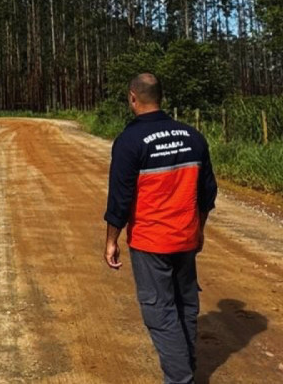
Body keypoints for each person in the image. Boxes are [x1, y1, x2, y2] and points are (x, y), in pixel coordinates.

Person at [103, 73, 217, 384]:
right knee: (185, 305)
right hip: (186, 238)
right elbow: (208, 193)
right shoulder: (192, 136)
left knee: (160, 313)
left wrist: (111, 240)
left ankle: (180, 378)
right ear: (161, 97)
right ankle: (186, 368)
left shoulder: (129, 142)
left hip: (151, 242)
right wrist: (199, 230)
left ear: (132, 98)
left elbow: (120, 199)